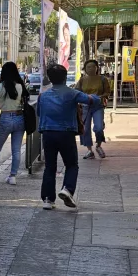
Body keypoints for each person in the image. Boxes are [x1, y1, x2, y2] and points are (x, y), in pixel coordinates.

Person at [38, 64, 100, 209]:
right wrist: (96, 97)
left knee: (49, 167)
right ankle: (67, 189)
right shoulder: (72, 93)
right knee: (71, 164)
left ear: (50, 79)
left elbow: (40, 114)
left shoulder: (43, 96)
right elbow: (91, 100)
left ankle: (48, 199)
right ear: (65, 77)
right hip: (66, 133)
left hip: (48, 133)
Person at [0, 61, 27, 185]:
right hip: (19, 118)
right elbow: (23, 102)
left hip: (5, 118)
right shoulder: (20, 86)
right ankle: (12, 176)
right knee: (16, 150)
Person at [75, 60, 111, 159]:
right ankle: (89, 150)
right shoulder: (82, 80)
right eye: (88, 67)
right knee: (85, 129)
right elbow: (77, 92)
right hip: (85, 106)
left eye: (93, 66)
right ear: (85, 69)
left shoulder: (103, 79)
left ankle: (98, 145)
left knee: (99, 127)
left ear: (97, 68)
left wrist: (99, 97)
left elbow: (107, 92)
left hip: (98, 106)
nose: (91, 68)